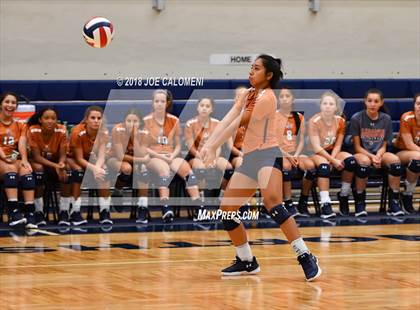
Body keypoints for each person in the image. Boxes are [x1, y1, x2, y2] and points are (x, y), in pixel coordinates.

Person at [201, 55, 321, 281]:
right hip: (250, 158)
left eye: (256, 69)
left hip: (267, 156)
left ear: (268, 76)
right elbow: (228, 119)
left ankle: (305, 255)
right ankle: (246, 260)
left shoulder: (267, 98)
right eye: (251, 67)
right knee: (227, 210)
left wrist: (214, 145)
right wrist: (209, 145)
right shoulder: (248, 94)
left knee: (273, 203)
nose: (251, 71)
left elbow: (238, 124)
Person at [143, 89, 203, 223]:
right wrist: (162, 156)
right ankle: (166, 208)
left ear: (167, 103)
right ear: (152, 103)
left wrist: (172, 155)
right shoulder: (145, 121)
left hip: (171, 155)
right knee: (163, 170)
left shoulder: (174, 120)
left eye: (162, 101)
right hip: (154, 157)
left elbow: (178, 145)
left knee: (187, 170)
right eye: (157, 101)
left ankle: (198, 207)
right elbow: (144, 147)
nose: (159, 104)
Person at [349, 89, 404, 217]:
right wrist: (372, 157)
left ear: (381, 103)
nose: (372, 104)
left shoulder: (386, 119)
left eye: (376, 101)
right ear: (365, 102)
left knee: (395, 162)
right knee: (364, 163)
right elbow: (357, 147)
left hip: (379, 153)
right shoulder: (357, 118)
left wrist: (379, 155)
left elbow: (384, 145)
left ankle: (394, 202)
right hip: (362, 153)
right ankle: (360, 203)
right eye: (369, 101)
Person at [307, 92, 357, 218]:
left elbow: (338, 145)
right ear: (320, 106)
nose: (328, 106)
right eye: (325, 103)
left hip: (332, 152)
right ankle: (325, 203)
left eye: (331, 104)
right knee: (324, 166)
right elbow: (317, 147)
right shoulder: (314, 121)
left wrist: (333, 159)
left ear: (336, 107)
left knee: (351, 161)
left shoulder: (340, 121)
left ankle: (344, 195)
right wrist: (332, 161)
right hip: (315, 152)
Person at [26, 107, 72, 226]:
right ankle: (39, 212)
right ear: (40, 120)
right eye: (46, 118)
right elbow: (36, 157)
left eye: (53, 118)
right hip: (39, 163)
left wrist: (61, 164)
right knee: (39, 169)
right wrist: (56, 165)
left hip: (55, 163)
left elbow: (63, 155)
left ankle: (64, 211)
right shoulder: (33, 130)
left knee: (67, 170)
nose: (50, 121)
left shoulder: (61, 130)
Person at [67, 106, 113, 225]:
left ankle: (104, 211)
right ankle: (75, 211)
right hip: (73, 158)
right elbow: (79, 158)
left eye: (99, 118)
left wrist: (98, 169)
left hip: (92, 159)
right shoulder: (77, 132)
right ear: (86, 119)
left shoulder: (103, 132)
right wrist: (94, 169)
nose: (96, 120)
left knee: (103, 173)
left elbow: (102, 156)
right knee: (78, 173)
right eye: (93, 118)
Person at [184, 97, 233, 209]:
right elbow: (191, 147)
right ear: (197, 108)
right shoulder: (190, 124)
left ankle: (222, 196)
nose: (204, 108)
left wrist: (214, 159)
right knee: (201, 169)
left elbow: (219, 144)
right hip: (196, 156)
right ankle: (201, 200)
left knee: (229, 169)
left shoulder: (217, 123)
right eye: (202, 105)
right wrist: (203, 159)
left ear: (212, 109)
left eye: (207, 106)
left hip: (215, 154)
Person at [276, 87, 316, 217]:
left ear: (292, 99)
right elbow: (272, 142)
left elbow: (301, 141)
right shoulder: (273, 117)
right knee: (286, 166)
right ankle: (288, 202)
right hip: (279, 152)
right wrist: (288, 156)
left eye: (287, 96)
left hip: (296, 152)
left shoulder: (299, 117)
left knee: (310, 167)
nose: (284, 99)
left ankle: (303, 202)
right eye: (281, 96)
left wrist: (296, 155)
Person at [107, 109, 150, 223]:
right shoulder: (118, 129)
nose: (132, 124)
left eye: (135, 121)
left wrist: (134, 137)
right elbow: (120, 155)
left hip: (135, 161)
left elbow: (141, 153)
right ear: (124, 121)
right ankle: (117, 191)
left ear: (140, 122)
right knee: (127, 168)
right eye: (129, 120)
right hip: (114, 159)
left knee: (142, 169)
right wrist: (141, 159)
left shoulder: (144, 132)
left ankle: (142, 207)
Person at [0, 91, 36, 228]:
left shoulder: (20, 125)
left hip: (12, 157)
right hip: (1, 157)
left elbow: (21, 144)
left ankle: (30, 214)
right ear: (1, 104)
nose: (10, 105)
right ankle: (14, 212)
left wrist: (24, 160)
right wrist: (5, 158)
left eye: (13, 103)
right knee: (10, 170)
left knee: (27, 172)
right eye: (7, 102)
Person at [393, 93, 420, 213]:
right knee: (418, 158)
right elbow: (409, 145)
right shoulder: (407, 118)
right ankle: (407, 195)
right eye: (418, 104)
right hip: (402, 152)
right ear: (414, 105)